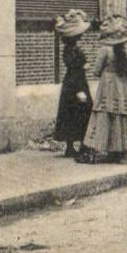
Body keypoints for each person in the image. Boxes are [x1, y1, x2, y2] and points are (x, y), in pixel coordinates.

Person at [80, 14, 127, 163]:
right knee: (121, 115)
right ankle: (121, 151)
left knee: (106, 114)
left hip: (108, 86)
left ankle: (107, 147)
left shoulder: (105, 50)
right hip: (124, 86)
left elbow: (96, 71)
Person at [52, 9, 94, 157]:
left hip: (72, 83)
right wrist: (79, 90)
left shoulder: (71, 49)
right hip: (76, 84)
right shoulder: (71, 50)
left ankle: (73, 146)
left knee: (72, 113)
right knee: (81, 112)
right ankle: (78, 145)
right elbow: (75, 69)